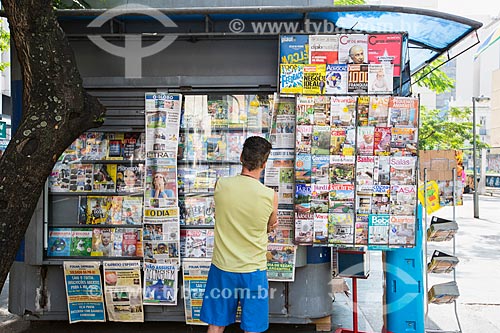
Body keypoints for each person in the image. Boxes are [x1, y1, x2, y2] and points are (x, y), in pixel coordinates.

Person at [200, 136, 278, 333]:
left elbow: (220, 214)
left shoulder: (221, 185)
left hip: (223, 267)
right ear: (264, 163)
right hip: (253, 270)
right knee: (253, 328)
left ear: (242, 157)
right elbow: (270, 226)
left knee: (216, 324)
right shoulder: (270, 196)